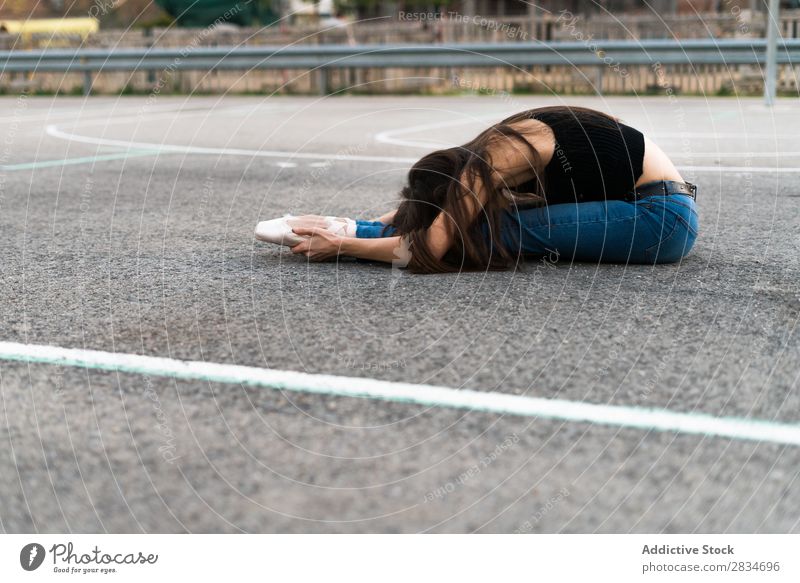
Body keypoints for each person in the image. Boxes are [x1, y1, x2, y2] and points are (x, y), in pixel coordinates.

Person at [255, 106, 699, 273]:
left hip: (658, 219)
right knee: (484, 222)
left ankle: (350, 234)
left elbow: (430, 249)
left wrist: (345, 245)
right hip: (654, 210)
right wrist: (380, 219)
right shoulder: (507, 142)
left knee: (486, 233)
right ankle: (363, 228)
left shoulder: (492, 160)